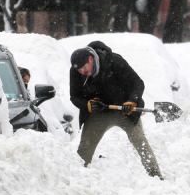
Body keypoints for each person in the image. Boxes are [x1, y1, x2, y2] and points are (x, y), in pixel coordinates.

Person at [69, 41, 163, 179]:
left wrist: (131, 101)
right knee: (85, 148)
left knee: (139, 141)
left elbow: (138, 83)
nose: (82, 72)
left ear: (90, 59)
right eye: (79, 70)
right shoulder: (76, 71)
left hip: (124, 110)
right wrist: (87, 104)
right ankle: (78, 179)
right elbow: (74, 96)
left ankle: (157, 176)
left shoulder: (114, 61)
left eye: (83, 68)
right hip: (98, 113)